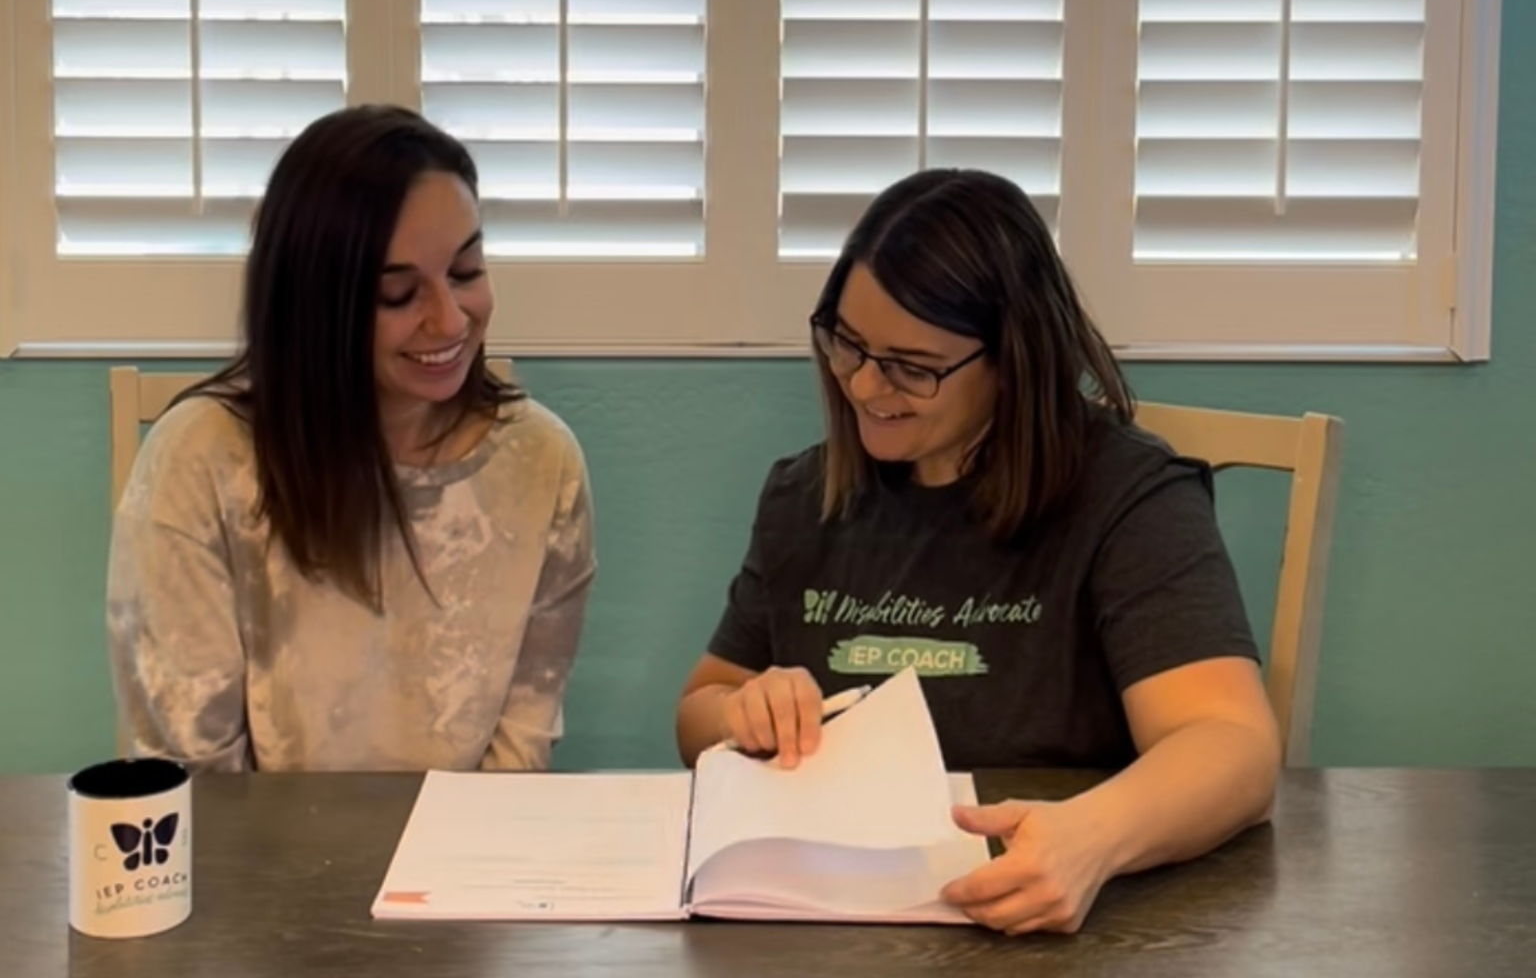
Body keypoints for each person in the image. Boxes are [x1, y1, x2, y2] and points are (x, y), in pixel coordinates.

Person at [675, 169, 1279, 936]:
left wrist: (1093, 837)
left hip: (1055, 919)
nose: (865, 387)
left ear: (1014, 359)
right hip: (832, 917)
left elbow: (1233, 745)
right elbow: (700, 710)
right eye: (847, 344)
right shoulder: (808, 495)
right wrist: (744, 711)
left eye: (912, 367)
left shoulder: (1128, 497)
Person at [108, 105, 595, 773]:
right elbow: (198, 780)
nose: (450, 320)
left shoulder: (543, 462)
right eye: (399, 294)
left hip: (469, 838)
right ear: (315, 304)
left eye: (465, 272)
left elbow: (518, 756)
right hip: (250, 840)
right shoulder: (199, 462)